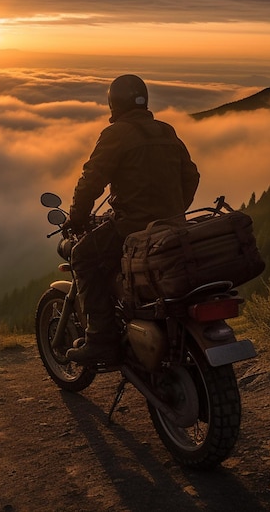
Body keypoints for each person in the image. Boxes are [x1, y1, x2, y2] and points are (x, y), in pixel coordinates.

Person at [64, 74, 200, 365]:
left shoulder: (116, 134)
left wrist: (77, 216)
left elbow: (91, 180)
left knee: (83, 256)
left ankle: (100, 341)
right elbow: (191, 176)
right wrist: (175, 210)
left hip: (132, 228)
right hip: (174, 227)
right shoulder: (166, 131)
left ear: (115, 104)